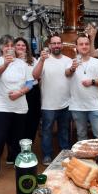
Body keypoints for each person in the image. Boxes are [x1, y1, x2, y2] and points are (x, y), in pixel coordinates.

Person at [0, 34, 34, 185]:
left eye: (11, 45)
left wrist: (20, 92)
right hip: (1, 106)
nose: (9, 48)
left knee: (18, 140)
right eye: (6, 45)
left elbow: (30, 83)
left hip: (20, 106)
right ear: (1, 48)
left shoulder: (22, 64)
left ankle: (19, 166)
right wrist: (6, 64)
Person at [33, 33, 72, 165]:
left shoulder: (68, 60)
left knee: (64, 130)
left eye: (58, 43)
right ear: (49, 45)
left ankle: (65, 153)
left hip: (65, 103)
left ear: (62, 45)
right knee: (47, 132)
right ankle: (47, 155)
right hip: (48, 105)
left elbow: (70, 75)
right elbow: (35, 75)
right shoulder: (44, 59)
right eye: (53, 43)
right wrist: (41, 60)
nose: (56, 45)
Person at [5, 37, 41, 165]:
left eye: (23, 45)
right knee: (15, 123)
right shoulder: (9, 60)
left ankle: (27, 150)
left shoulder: (33, 61)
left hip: (32, 93)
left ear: (27, 48)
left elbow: (37, 76)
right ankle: (12, 152)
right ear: (13, 47)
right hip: (16, 92)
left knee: (31, 122)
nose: (21, 47)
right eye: (18, 45)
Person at [66, 34, 98, 141]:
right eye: (81, 44)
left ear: (89, 46)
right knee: (81, 136)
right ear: (77, 47)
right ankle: (83, 158)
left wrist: (93, 82)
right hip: (77, 106)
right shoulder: (71, 62)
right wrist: (72, 68)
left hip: (95, 106)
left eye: (86, 44)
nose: (84, 46)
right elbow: (67, 74)